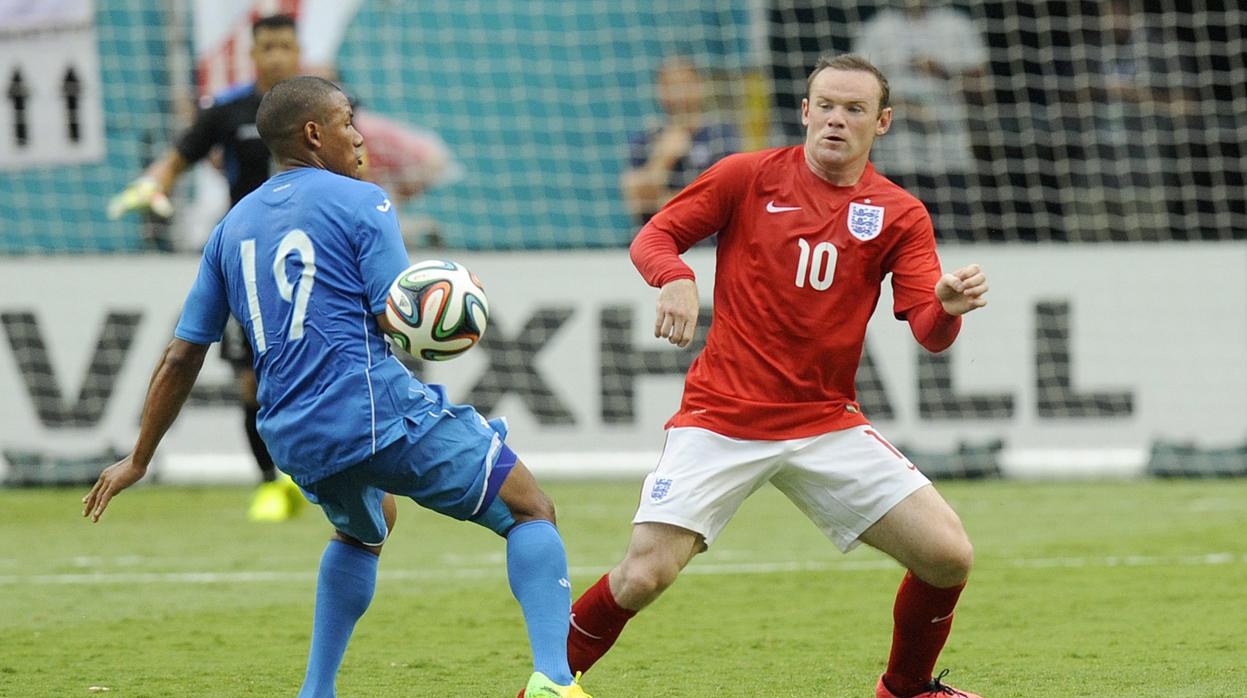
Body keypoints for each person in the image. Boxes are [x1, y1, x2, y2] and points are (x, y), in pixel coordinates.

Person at [83, 76, 592, 698]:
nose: (359, 136)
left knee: (367, 522)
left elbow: (182, 353)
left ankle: (315, 691)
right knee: (529, 507)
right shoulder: (364, 202)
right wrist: (451, 301)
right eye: (347, 121)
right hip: (372, 410)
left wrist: (140, 457)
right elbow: (397, 318)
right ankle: (555, 682)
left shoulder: (230, 229)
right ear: (313, 134)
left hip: (294, 438)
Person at [544, 54, 989, 698]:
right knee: (644, 575)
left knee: (949, 556)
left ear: (882, 122)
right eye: (826, 106)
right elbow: (656, 236)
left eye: (855, 109)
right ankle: (548, 682)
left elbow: (928, 330)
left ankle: (907, 687)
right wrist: (675, 278)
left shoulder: (899, 213)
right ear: (805, 112)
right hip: (722, 418)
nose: (837, 119)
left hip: (824, 422)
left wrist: (946, 307)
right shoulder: (746, 176)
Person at [107, 14, 307, 521]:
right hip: (248, 262)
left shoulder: (323, 105)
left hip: (312, 260)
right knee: (251, 383)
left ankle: (324, 472)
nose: (278, 56)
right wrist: (153, 184)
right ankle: (271, 483)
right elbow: (177, 159)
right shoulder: (227, 111)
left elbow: (360, 164)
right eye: (268, 48)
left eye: (286, 46)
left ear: (297, 50)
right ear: (253, 54)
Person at [852, 0, 988, 240]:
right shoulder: (878, 28)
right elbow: (858, 88)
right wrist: (899, 104)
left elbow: (981, 87)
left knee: (957, 232)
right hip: (897, 153)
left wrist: (940, 69)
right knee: (896, 232)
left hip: (948, 151)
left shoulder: (956, 24)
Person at [620, 55, 738, 225]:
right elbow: (635, 202)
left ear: (700, 85)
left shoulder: (720, 135)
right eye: (670, 86)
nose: (679, 93)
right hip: (661, 242)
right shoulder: (647, 139)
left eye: (685, 83)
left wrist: (664, 201)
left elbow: (725, 198)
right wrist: (664, 158)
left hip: (712, 244)